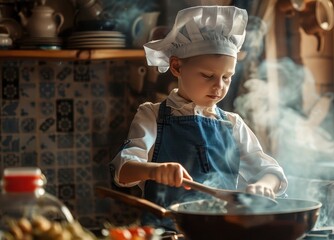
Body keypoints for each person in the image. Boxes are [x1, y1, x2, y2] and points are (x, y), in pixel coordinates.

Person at [110, 5, 288, 230]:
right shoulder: (151, 115)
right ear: (176, 67)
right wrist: (154, 170)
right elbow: (123, 171)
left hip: (224, 232)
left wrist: (264, 185)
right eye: (208, 75)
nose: (219, 86)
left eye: (227, 77)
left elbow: (272, 172)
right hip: (166, 232)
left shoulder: (232, 124)